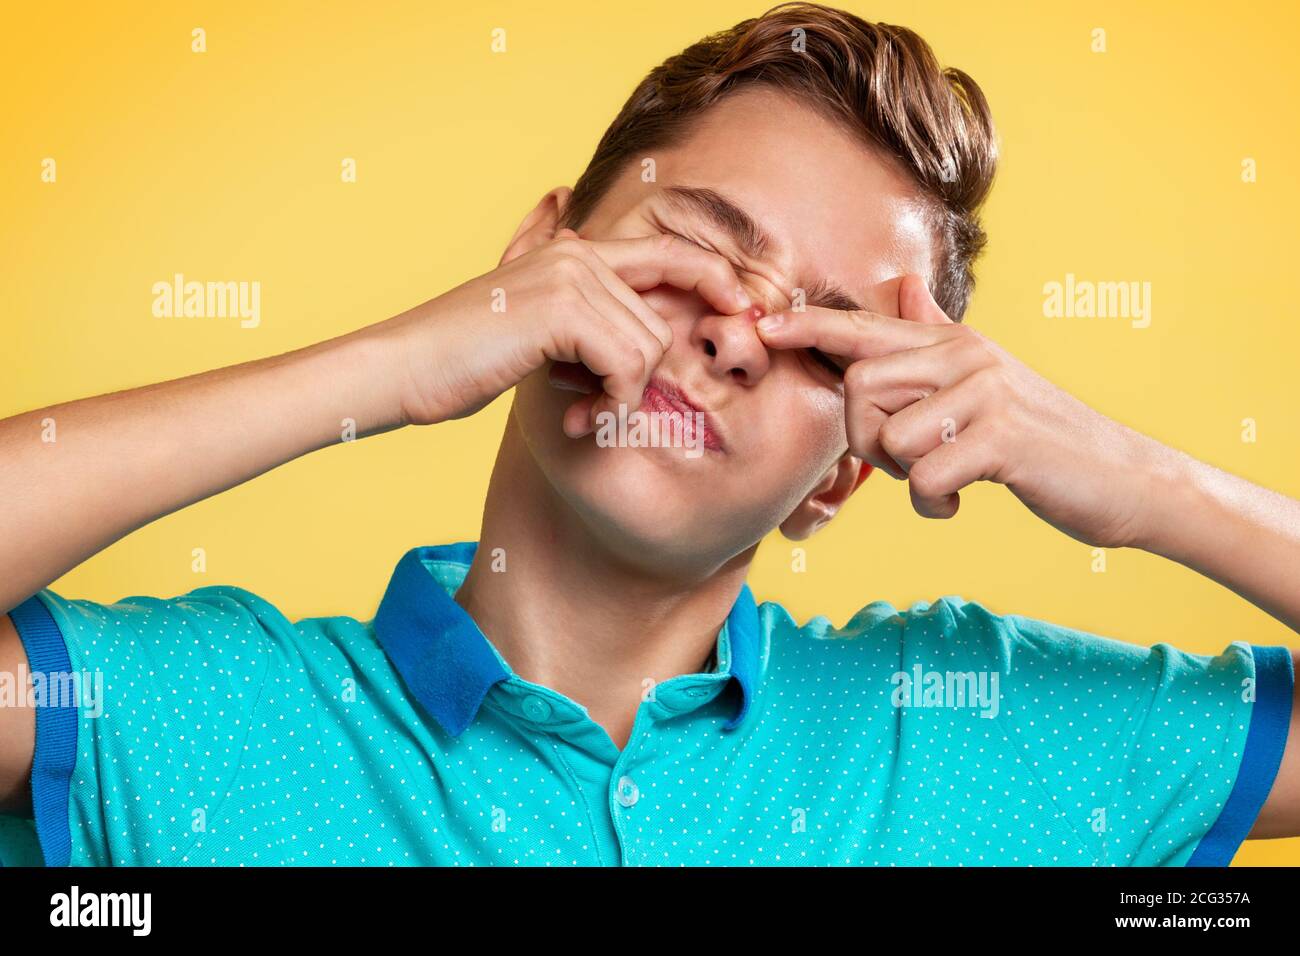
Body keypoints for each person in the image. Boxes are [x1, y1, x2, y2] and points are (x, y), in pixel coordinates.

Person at [0, 2, 1295, 867]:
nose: (736, 333)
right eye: (695, 249)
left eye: (822, 337)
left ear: (842, 476)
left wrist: (1141, 484)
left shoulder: (959, 730)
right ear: (537, 260)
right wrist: (392, 364)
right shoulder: (197, 719)